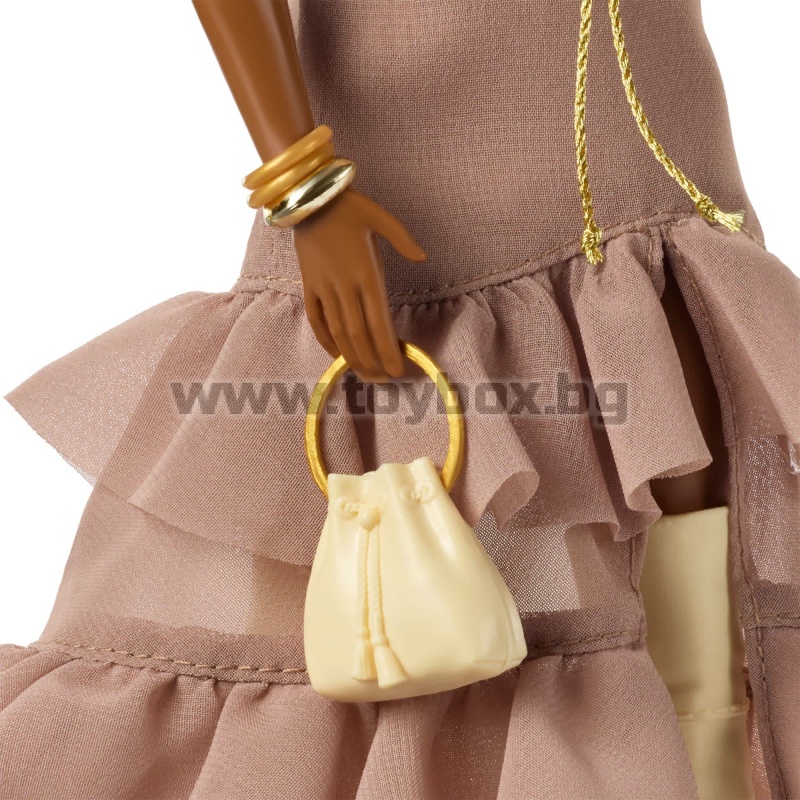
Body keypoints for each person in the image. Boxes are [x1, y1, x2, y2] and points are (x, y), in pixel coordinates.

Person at [1, 1, 798, 798]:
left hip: (665, 188)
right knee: (395, 631)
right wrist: (304, 185)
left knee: (704, 621)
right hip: (414, 190)